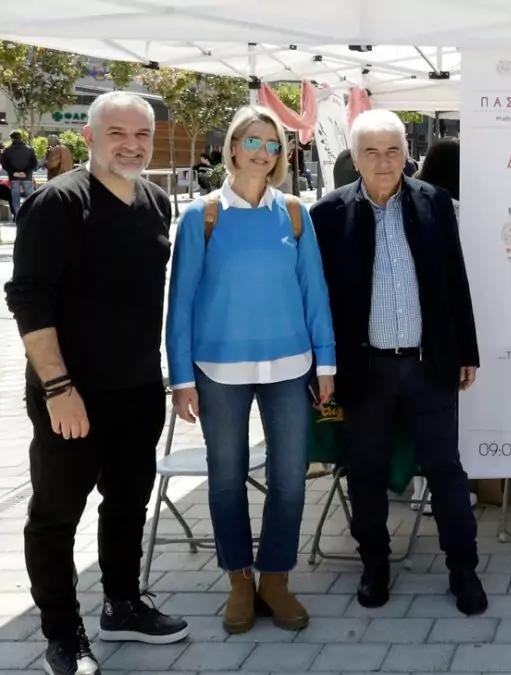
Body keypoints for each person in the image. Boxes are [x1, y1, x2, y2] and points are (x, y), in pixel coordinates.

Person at [3, 91, 189, 675]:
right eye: (118, 134)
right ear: (89, 138)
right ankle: (63, 635)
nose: (132, 145)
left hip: (139, 388)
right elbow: (28, 299)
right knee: (56, 516)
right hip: (71, 395)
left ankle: (123, 605)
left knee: (128, 503)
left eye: (142, 135)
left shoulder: (156, 202)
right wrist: (58, 388)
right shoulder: (58, 202)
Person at [166, 106, 336, 635]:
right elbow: (180, 302)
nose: (264, 152)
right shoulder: (202, 217)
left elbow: (314, 291)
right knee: (225, 478)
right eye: (254, 141)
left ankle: (276, 579)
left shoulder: (295, 213)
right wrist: (180, 378)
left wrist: (326, 362)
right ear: (233, 148)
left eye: (273, 144)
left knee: (289, 478)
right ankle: (239, 580)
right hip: (217, 369)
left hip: (290, 365)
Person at [310, 110, 486, 615]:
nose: (384, 162)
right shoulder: (328, 215)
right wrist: (323, 368)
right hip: (364, 371)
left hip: (430, 366)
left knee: (445, 471)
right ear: (355, 157)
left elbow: (455, 280)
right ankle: (375, 566)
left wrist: (467, 350)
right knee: (365, 472)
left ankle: (464, 570)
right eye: (372, 152)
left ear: (407, 154)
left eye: (393, 151)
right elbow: (318, 300)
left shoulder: (435, 203)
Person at [2, 130, 38, 216]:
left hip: (14, 177)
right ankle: (31, 215)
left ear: (11, 138)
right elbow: (34, 163)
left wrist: (13, 172)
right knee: (30, 196)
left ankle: (18, 215)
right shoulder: (29, 149)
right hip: (27, 176)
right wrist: (25, 172)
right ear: (21, 138)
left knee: (15, 197)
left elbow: (4, 164)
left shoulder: (7, 150)